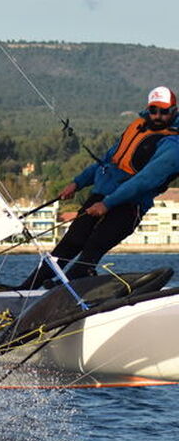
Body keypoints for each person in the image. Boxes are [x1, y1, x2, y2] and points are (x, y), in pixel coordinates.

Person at [19, 86, 179, 289]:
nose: (157, 115)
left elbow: (145, 180)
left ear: (173, 110)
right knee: (70, 243)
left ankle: (68, 288)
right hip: (101, 195)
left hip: (129, 204)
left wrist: (107, 203)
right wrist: (77, 183)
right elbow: (106, 160)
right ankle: (27, 289)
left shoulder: (174, 145)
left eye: (164, 111)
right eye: (153, 109)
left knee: (94, 246)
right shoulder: (137, 126)